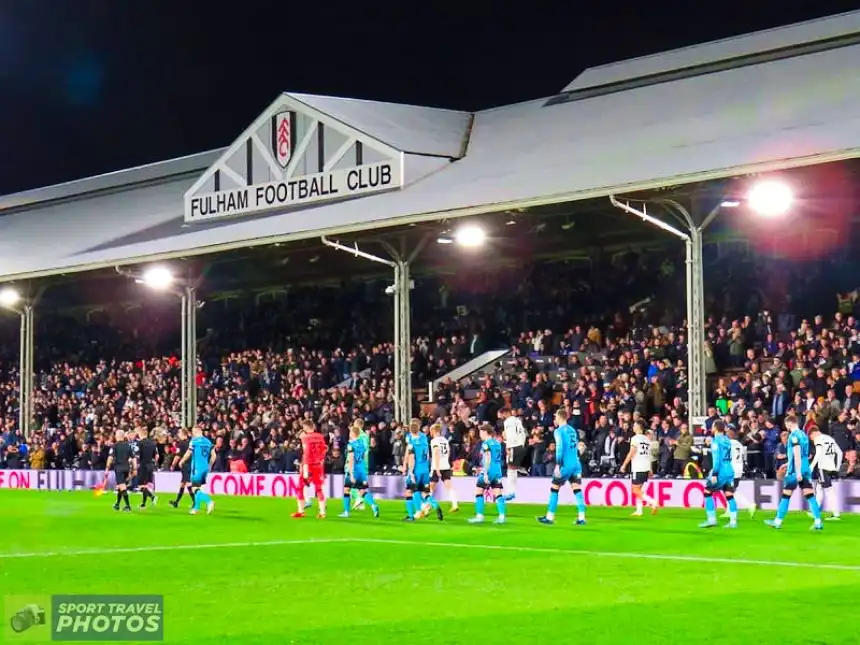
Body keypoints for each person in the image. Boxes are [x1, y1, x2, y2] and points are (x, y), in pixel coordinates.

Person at [765, 415, 823, 530]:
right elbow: (803, 454)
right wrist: (787, 464)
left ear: (789, 424)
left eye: (787, 425)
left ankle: (777, 521)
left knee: (786, 495)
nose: (787, 427)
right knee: (810, 495)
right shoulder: (804, 435)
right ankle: (818, 522)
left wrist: (797, 472)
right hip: (805, 467)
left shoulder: (794, 436)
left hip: (796, 471)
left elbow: (797, 454)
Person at [537, 410, 587, 526]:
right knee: (577, 489)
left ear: (559, 417)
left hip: (566, 464)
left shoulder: (558, 431)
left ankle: (550, 517)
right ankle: (582, 517)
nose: (554, 419)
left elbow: (559, 448)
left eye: (555, 417)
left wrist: (558, 465)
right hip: (576, 463)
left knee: (555, 487)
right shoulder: (572, 430)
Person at [700, 420, 739, 529]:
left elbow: (716, 460)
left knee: (707, 492)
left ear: (715, 428)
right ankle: (733, 522)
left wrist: (714, 474)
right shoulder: (727, 440)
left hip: (720, 471)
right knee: (729, 495)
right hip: (729, 470)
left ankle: (711, 520)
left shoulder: (716, 441)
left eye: (712, 426)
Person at [404, 419, 442, 522]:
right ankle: (435, 504)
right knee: (425, 492)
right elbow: (428, 454)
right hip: (425, 469)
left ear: (410, 430)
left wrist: (410, 470)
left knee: (410, 491)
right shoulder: (424, 437)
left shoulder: (410, 440)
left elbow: (411, 457)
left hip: (416, 469)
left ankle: (414, 514)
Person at [468, 425, 507, 524]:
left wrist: (485, 472)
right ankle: (502, 516)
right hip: (497, 470)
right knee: (498, 493)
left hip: (488, 470)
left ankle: (479, 516)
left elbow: (488, 457)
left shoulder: (486, 444)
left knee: (478, 492)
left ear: (485, 432)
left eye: (481, 432)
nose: (480, 435)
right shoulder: (498, 443)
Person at [619, 421, 658, 516]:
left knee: (635, 490)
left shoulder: (635, 438)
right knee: (639, 489)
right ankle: (639, 510)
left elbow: (632, 452)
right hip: (645, 466)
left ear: (639, 427)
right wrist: (650, 469)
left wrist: (624, 465)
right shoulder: (647, 439)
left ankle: (653, 502)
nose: (633, 426)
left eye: (635, 425)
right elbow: (649, 455)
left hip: (638, 466)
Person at [340, 425, 379, 518]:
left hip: (354, 469)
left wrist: (351, 474)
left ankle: (346, 512)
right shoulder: (362, 443)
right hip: (362, 468)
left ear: (352, 433)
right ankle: (373, 505)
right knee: (362, 490)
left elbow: (351, 459)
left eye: (350, 432)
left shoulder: (351, 445)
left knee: (346, 489)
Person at [293, 420, 328, 519]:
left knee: (300, 487)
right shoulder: (320, 436)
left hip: (308, 464)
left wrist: (305, 469)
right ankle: (322, 512)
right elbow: (325, 448)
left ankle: (301, 511)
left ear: (305, 427)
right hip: (318, 465)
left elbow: (307, 452)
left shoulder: (305, 437)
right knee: (319, 488)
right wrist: (321, 459)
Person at [179, 427, 216, 516]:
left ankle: (209, 501)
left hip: (196, 468)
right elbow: (214, 456)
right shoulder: (208, 442)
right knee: (197, 487)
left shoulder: (194, 441)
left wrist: (182, 461)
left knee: (194, 489)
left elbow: (188, 453)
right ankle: (196, 508)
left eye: (193, 432)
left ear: (195, 432)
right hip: (205, 468)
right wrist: (210, 466)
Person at [809, 427, 843, 521]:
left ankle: (836, 514)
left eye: (811, 437)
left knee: (829, 491)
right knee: (819, 488)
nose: (812, 439)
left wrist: (811, 466)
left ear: (814, 433)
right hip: (831, 467)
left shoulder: (818, 439)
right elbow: (839, 452)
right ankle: (815, 511)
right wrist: (837, 467)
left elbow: (818, 453)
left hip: (823, 468)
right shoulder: (829, 438)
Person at [723, 429, 756, 518]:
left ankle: (749, 505)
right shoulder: (739, 444)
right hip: (739, 468)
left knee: (730, 490)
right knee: (729, 489)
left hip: (731, 469)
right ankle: (728, 511)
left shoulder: (727, 444)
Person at [429, 423, 458, 513]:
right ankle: (455, 504)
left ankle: (426, 507)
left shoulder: (434, 441)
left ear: (434, 431)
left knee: (430, 488)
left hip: (437, 467)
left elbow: (436, 453)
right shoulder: (445, 440)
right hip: (446, 465)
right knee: (449, 486)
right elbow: (448, 452)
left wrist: (437, 469)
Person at [105, 429, 134, 513]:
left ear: (117, 436)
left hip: (119, 469)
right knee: (120, 487)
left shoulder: (115, 446)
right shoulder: (128, 446)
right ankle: (117, 504)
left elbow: (110, 458)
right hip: (126, 469)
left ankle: (128, 506)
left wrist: (107, 468)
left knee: (122, 487)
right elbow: (133, 458)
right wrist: (133, 469)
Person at [502, 408, 527, 501]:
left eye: (502, 415)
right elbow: (523, 433)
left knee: (511, 469)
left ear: (505, 413)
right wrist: (522, 444)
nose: (502, 417)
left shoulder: (508, 422)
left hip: (513, 446)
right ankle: (511, 492)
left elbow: (510, 435)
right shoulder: (517, 420)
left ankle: (511, 493)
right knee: (512, 469)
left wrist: (507, 446)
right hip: (520, 445)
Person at [169, 429, 194, 509]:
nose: (178, 434)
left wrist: (173, 465)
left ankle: (195, 502)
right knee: (183, 483)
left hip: (185, 465)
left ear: (183, 434)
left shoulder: (181, 443)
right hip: (191, 464)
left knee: (188, 483)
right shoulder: (190, 442)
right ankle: (176, 502)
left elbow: (177, 456)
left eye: (179, 433)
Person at [351, 419, 372, 511]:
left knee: (353, 483)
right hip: (365, 462)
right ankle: (360, 503)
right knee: (361, 484)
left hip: (357, 461)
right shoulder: (366, 436)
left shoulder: (358, 436)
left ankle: (360, 499)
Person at [136, 427, 159, 509]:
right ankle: (144, 504)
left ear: (140, 434)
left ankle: (152, 497)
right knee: (145, 485)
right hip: (150, 466)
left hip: (143, 466)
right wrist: (154, 463)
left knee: (141, 486)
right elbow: (156, 456)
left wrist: (136, 465)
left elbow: (137, 456)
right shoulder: (153, 443)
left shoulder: (139, 443)